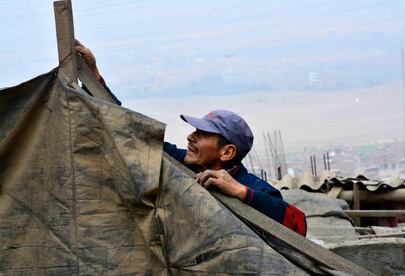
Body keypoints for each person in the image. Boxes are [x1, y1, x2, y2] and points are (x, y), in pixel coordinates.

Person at [75, 41, 307, 236]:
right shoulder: (185, 164)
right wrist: (95, 80)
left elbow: (298, 225)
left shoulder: (251, 187)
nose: (190, 137)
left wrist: (239, 191)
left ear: (227, 152)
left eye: (202, 134)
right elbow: (133, 133)